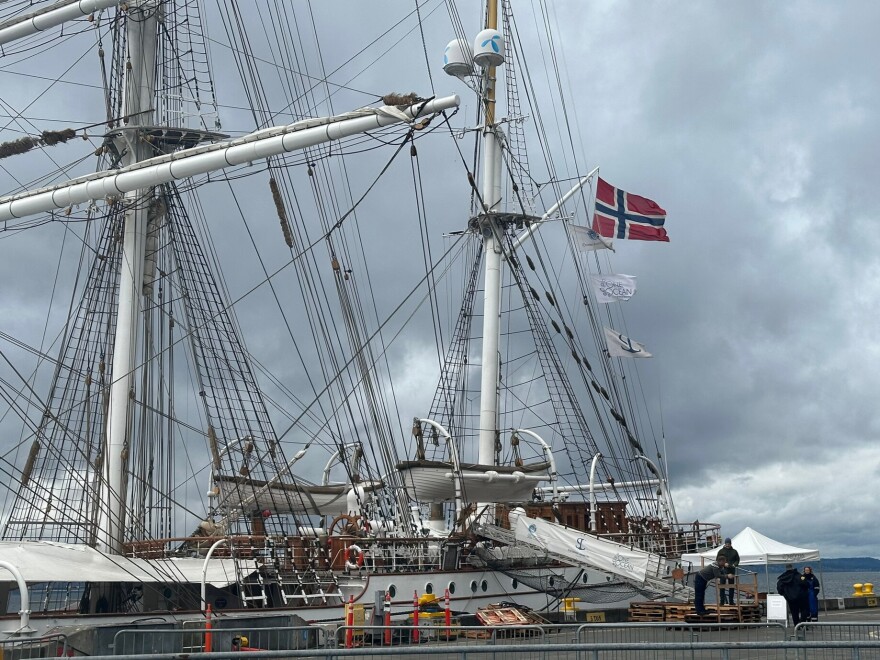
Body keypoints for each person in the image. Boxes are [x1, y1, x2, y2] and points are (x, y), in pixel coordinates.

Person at [715, 537, 740, 605]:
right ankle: (722, 601)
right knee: (722, 586)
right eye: (726, 544)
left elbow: (737, 559)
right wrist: (723, 564)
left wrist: (735, 564)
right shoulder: (721, 551)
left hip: (731, 570)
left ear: (730, 544)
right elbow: (717, 560)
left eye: (728, 544)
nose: (727, 545)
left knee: (731, 586)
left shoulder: (734, 551)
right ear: (725, 544)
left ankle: (731, 601)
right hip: (723, 571)